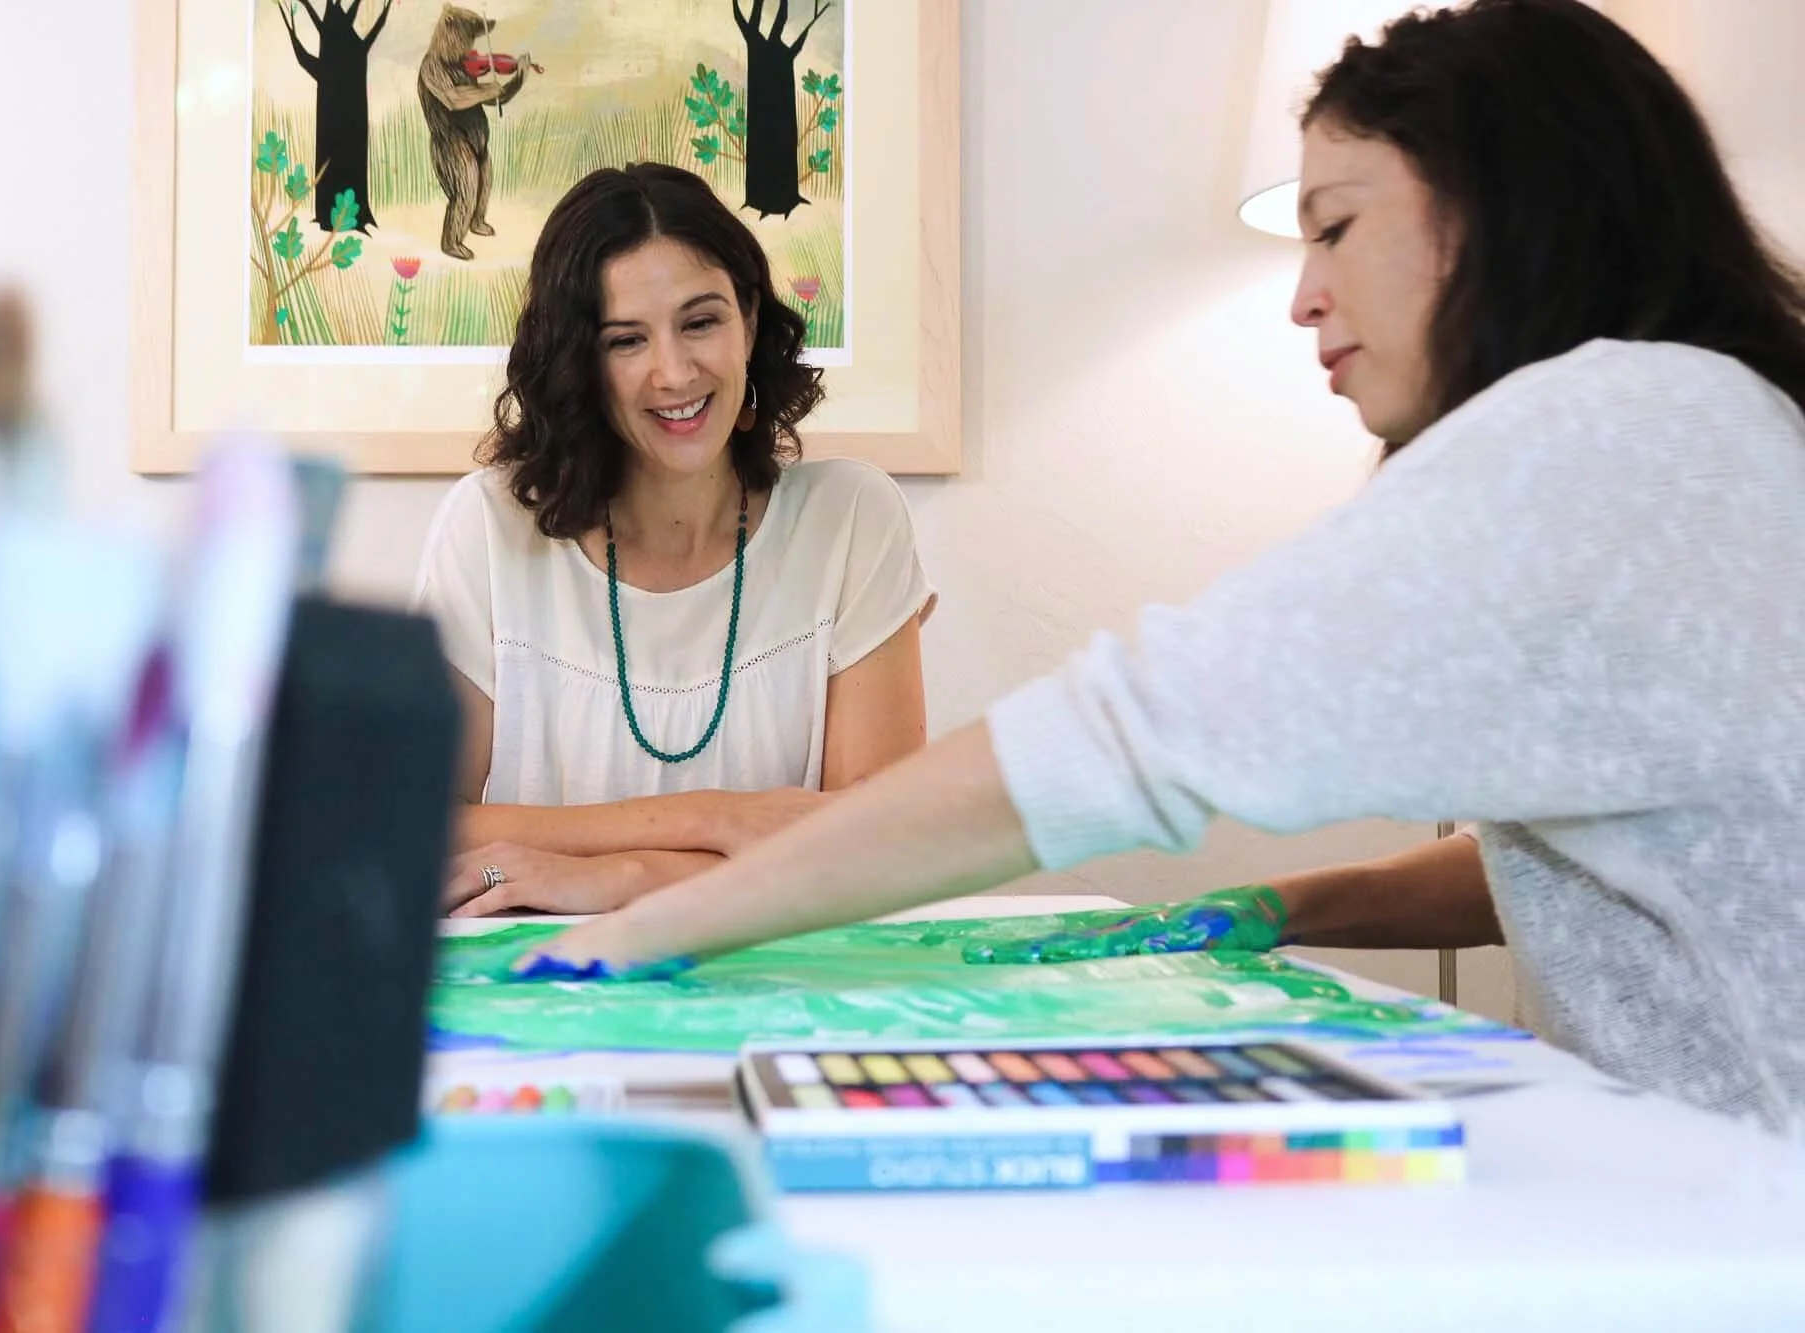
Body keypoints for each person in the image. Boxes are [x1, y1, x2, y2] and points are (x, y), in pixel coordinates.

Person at [526, 0, 1805, 1134]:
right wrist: (1277, 902)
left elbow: (1118, 736)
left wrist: (642, 932)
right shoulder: (1701, 421)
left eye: (1335, 228)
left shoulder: (1606, 439)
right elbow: (1590, 855)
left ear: (1489, 211)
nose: (1302, 296)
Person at [415, 163, 934, 918]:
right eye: (626, 339)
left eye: (701, 321)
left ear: (749, 323)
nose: (675, 371)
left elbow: (888, 845)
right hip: (545, 993)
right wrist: (715, 818)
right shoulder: (488, 529)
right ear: (580, 364)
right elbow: (420, 826)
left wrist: (626, 878)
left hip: (786, 986)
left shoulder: (852, 518)